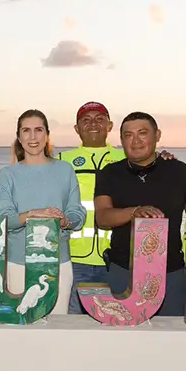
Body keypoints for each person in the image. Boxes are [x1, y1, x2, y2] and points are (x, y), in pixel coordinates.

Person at [93, 112, 186, 316]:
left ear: (157, 135)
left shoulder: (180, 171)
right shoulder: (109, 173)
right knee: (122, 337)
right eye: (128, 135)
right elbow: (102, 218)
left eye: (143, 133)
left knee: (170, 338)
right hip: (123, 271)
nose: (135, 141)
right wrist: (134, 212)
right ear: (121, 140)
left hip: (172, 273)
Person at [0, 110, 86, 314]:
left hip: (58, 263)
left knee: (57, 326)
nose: (33, 137)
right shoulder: (8, 175)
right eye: (26, 130)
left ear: (47, 135)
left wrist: (65, 221)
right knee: (22, 326)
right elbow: (5, 219)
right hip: (18, 263)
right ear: (19, 137)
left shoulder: (65, 169)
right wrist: (32, 214)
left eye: (38, 130)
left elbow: (77, 213)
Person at [57, 102, 125, 313]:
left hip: (116, 261)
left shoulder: (126, 160)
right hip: (73, 259)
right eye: (86, 120)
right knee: (73, 324)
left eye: (99, 119)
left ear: (110, 125)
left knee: (114, 321)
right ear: (77, 129)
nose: (93, 124)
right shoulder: (61, 162)